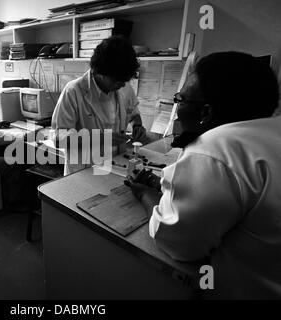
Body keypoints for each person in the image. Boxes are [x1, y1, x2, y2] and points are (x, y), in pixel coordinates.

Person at [127, 51, 281, 299]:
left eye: (180, 99)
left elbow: (178, 243)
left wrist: (146, 195)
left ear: (205, 113)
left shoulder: (215, 149)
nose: (176, 109)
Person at [51, 36, 147, 174]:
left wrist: (138, 125)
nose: (121, 85)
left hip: (117, 166)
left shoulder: (122, 86)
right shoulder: (73, 92)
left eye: (124, 81)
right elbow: (59, 139)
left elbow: (133, 112)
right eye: (116, 80)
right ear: (99, 72)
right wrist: (101, 139)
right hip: (84, 171)